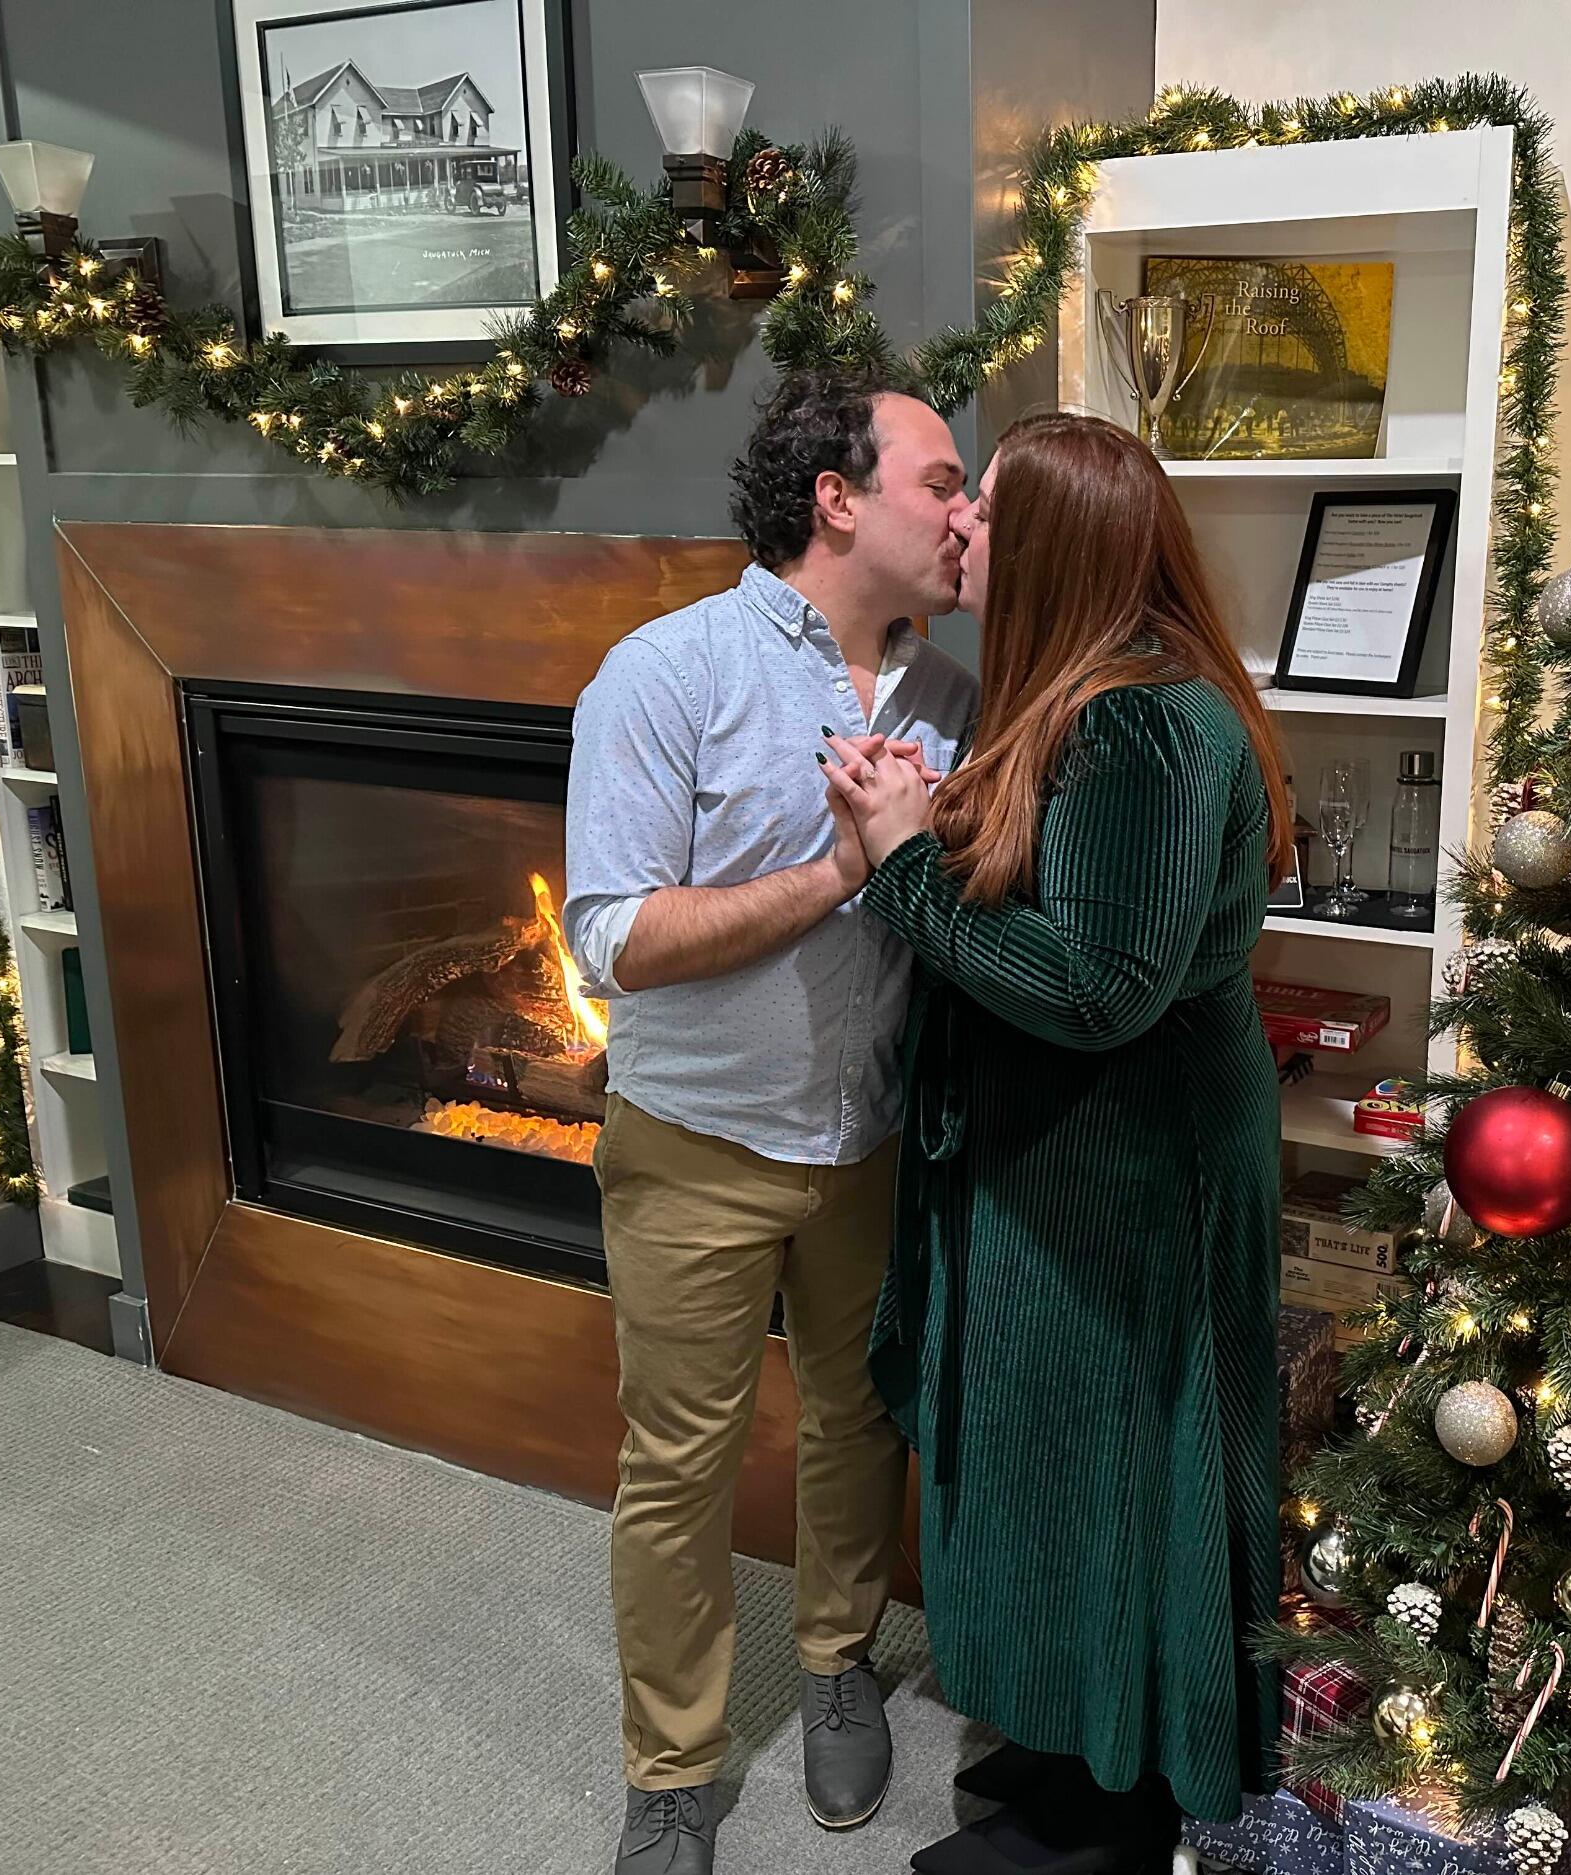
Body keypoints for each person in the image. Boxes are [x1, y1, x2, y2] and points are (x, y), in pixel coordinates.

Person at [823, 411, 1287, 1874]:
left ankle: (1114, 1805)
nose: (957, 527)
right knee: (1054, 1457)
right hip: (1069, 1162)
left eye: (987, 509)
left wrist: (901, 862)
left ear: (1061, 543)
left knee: (1114, 1464)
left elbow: (1094, 990)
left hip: (1128, 1175)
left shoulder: (1144, 725)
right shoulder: (1078, 702)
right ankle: (1074, 1747)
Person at [563, 369, 979, 1875]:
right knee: (679, 1463)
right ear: (838, 498)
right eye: (943, 481)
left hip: (868, 1138)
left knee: (859, 1421)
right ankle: (673, 1766)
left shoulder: (952, 691)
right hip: (696, 1145)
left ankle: (833, 1661)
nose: (966, 511)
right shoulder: (666, 673)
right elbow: (609, 939)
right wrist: (843, 872)